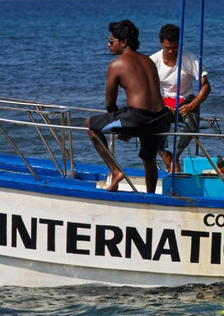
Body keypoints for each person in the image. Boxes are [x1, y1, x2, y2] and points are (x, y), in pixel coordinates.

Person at [85, 20, 173, 194]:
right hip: (161, 119)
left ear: (123, 41)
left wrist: (122, 127)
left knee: (90, 125)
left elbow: (110, 105)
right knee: (148, 158)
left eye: (111, 41)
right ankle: (150, 196)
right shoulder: (148, 61)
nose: (108, 44)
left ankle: (116, 171)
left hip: (138, 118)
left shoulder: (116, 65)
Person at [150, 23, 211, 172]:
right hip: (162, 103)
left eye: (175, 48)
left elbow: (206, 87)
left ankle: (176, 155)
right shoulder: (153, 61)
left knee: (193, 124)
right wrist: (161, 105)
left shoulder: (189, 59)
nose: (171, 51)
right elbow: (147, 89)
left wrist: (193, 104)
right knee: (145, 124)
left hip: (185, 102)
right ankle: (164, 154)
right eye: (167, 48)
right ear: (161, 43)